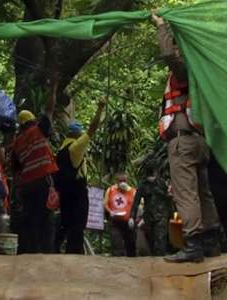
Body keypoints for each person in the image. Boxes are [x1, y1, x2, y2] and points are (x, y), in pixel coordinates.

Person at [151, 13, 221, 263]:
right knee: (203, 192)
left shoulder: (186, 70)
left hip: (183, 141)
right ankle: (212, 242)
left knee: (186, 192)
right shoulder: (205, 73)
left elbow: (169, 56)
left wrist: (161, 28)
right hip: (201, 141)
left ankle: (193, 245)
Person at [11, 73, 58, 254]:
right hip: (42, 181)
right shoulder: (40, 130)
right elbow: (50, 109)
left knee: (30, 217)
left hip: (27, 185)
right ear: (32, 120)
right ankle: (46, 252)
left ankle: (28, 251)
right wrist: (53, 88)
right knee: (46, 217)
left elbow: (16, 171)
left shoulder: (17, 142)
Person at [54, 100, 106, 253]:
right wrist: (100, 108)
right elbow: (92, 129)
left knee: (67, 222)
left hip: (65, 192)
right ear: (77, 135)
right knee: (78, 223)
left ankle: (55, 249)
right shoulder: (75, 148)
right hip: (77, 192)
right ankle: (74, 253)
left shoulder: (62, 149)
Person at [130, 160, 173, 256]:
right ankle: (155, 262)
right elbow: (136, 202)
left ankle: (160, 262)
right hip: (149, 217)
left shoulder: (161, 183)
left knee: (160, 241)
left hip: (161, 216)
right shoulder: (143, 185)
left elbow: (168, 198)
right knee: (152, 241)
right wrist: (131, 217)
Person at [104, 173, 137, 257]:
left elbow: (137, 206)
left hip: (128, 222)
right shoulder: (111, 190)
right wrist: (110, 211)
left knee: (130, 244)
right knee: (116, 243)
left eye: (124, 181)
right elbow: (105, 204)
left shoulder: (133, 191)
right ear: (116, 182)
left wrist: (132, 218)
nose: (123, 183)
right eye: (120, 181)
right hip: (115, 221)